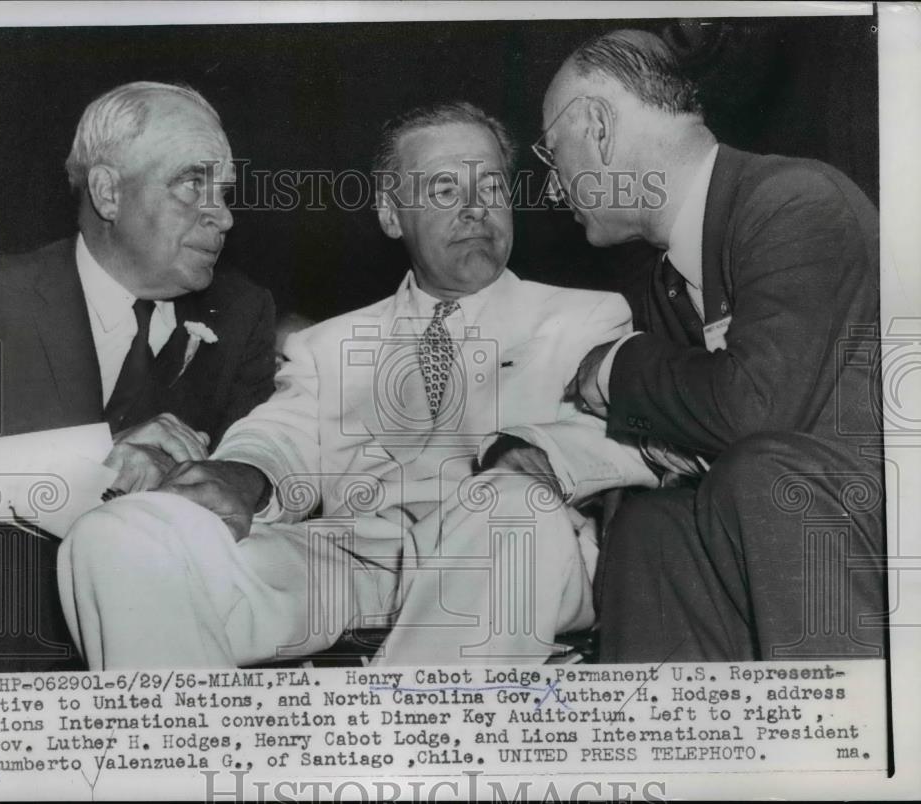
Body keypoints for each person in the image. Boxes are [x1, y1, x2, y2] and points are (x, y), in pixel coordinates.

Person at [56, 101, 660, 669]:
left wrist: (539, 452)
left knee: (507, 506)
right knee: (118, 537)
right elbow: (280, 435)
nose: (476, 208)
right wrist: (243, 476)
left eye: (493, 187)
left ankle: (399, 766)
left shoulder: (584, 316)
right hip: (351, 561)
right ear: (391, 215)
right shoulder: (328, 345)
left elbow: (641, 436)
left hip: (510, 553)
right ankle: (196, 771)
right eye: (445, 189)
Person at [531, 29, 884, 662]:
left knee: (760, 477)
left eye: (553, 154)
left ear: (600, 128)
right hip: (776, 531)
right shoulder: (664, 280)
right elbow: (688, 424)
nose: (555, 189)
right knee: (647, 528)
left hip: (866, 534)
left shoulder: (795, 201)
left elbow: (755, 411)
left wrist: (612, 369)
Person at [0, 81, 277, 673]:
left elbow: (264, 478)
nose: (223, 216)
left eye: (224, 192)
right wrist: (89, 460)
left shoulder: (246, 315)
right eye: (191, 184)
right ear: (107, 192)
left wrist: (244, 480)